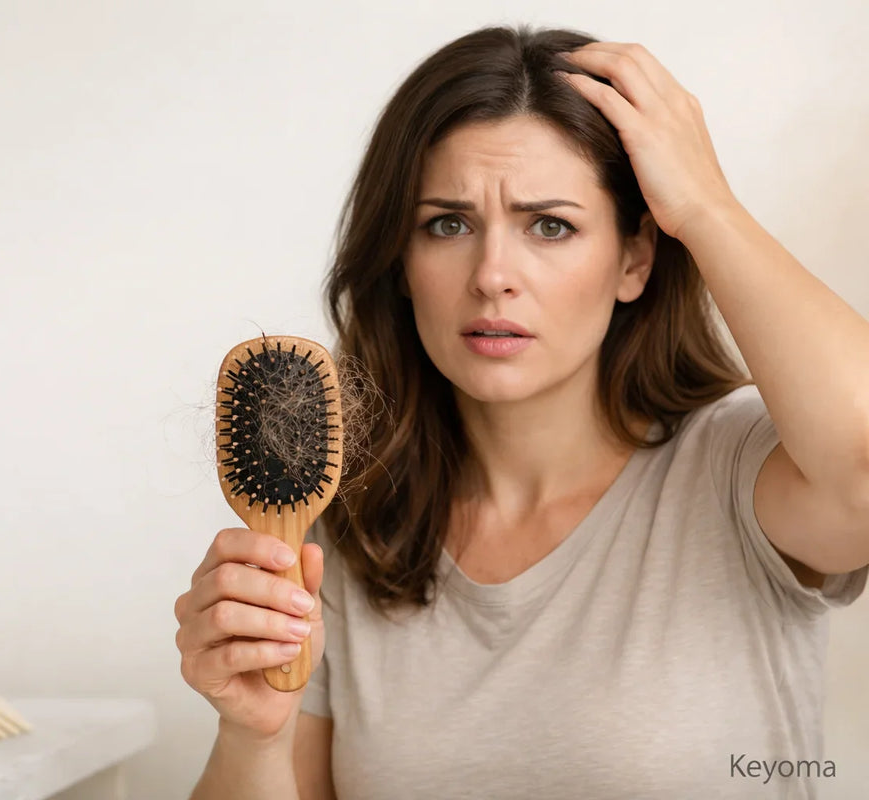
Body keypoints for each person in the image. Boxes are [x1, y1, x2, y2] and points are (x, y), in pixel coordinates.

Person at [175, 23, 869, 800]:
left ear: (635, 259)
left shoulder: (739, 473)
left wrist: (707, 206)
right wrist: (252, 735)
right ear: (400, 262)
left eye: (550, 225)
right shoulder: (352, 529)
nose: (492, 274)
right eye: (448, 224)